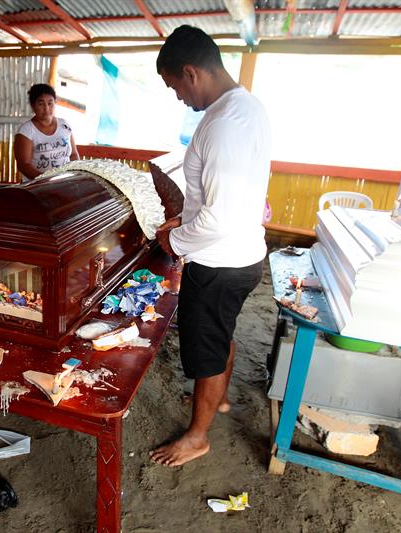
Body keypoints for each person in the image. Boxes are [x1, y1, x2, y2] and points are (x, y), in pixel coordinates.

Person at [149, 26, 271, 467]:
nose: (179, 97)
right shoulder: (247, 107)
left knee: (205, 353)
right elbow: (228, 199)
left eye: (175, 86)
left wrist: (173, 238)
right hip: (244, 254)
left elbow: (219, 218)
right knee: (221, 336)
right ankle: (215, 402)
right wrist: (187, 215)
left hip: (219, 262)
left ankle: (197, 437)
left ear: (190, 72)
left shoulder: (222, 125)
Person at [13, 83, 80, 181]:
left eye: (50, 103)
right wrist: (45, 181)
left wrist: (76, 175)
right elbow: (24, 165)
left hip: (65, 183)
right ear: (33, 106)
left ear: (55, 103)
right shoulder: (26, 131)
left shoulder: (64, 125)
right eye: (41, 104)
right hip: (37, 186)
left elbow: (74, 154)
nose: (46, 108)